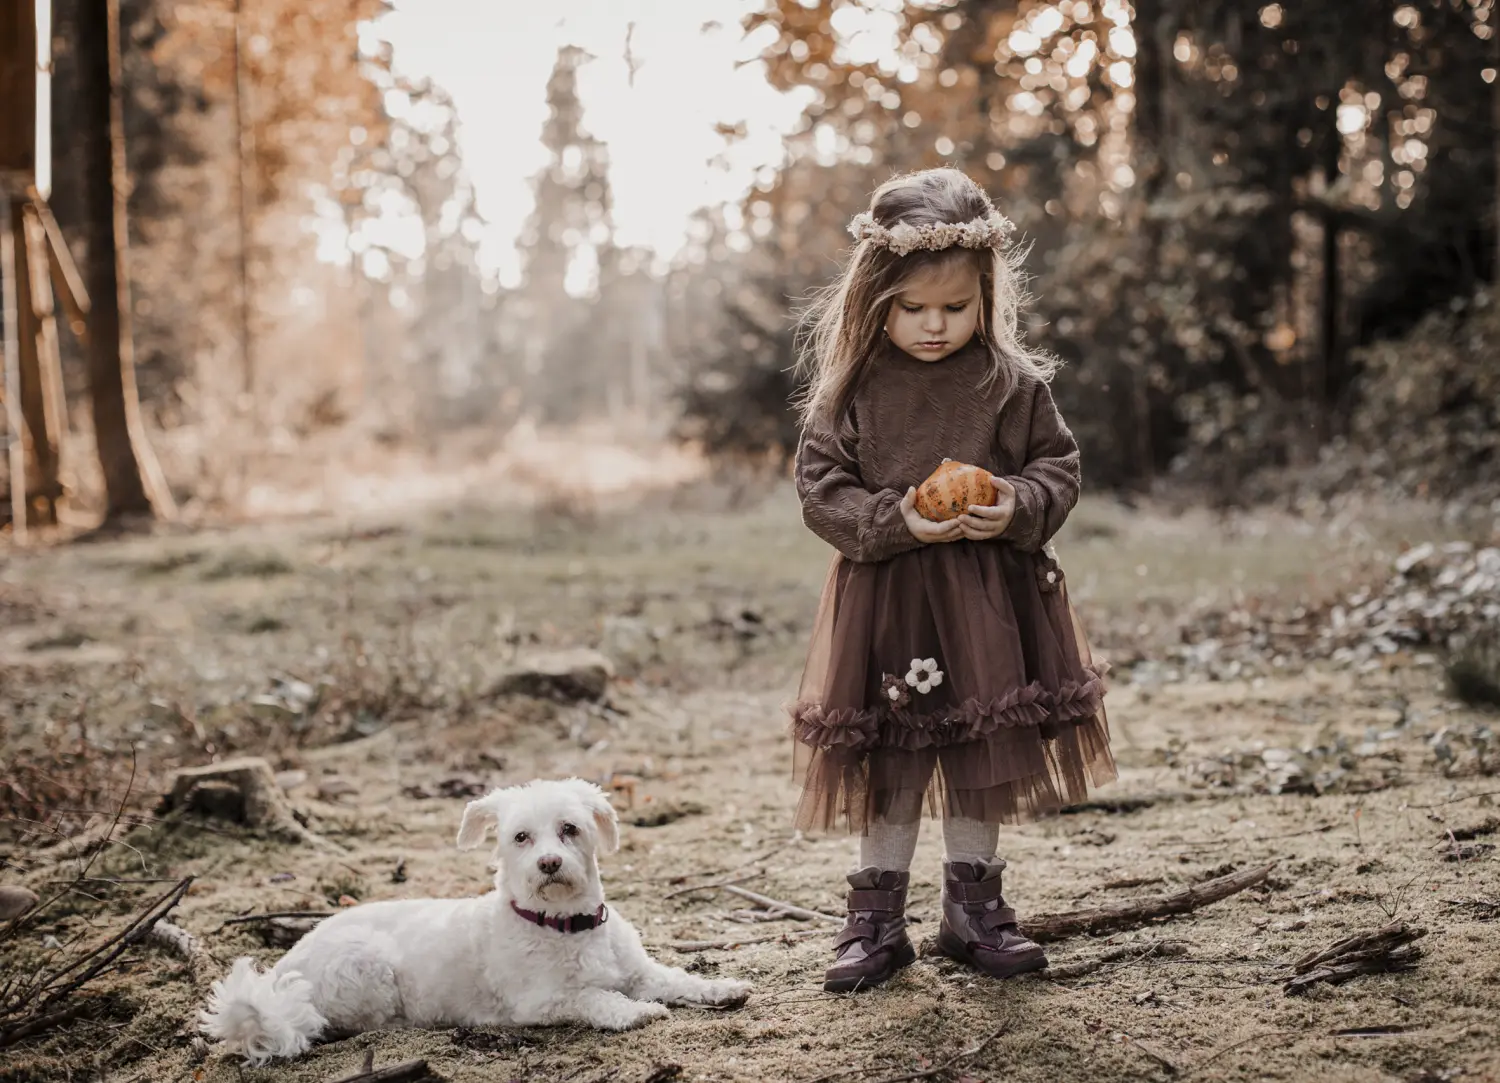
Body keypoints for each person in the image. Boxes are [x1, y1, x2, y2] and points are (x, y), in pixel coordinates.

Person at [789, 168, 1117, 993]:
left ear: (987, 295)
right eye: (912, 308)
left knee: (978, 747)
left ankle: (973, 910)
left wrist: (1013, 503)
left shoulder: (1012, 384)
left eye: (955, 307)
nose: (934, 325)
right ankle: (877, 921)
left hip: (986, 605)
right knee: (892, 758)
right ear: (876, 299)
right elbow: (822, 490)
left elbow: (1060, 468)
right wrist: (896, 520)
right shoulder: (853, 389)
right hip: (888, 601)